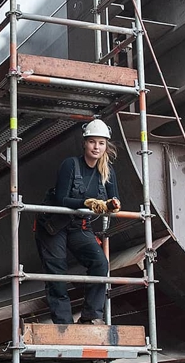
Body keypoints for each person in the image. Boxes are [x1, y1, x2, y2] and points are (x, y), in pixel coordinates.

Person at [35, 119, 121, 325]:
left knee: (100, 263)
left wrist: (112, 205)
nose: (96, 147)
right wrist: (88, 203)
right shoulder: (70, 165)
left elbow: (114, 199)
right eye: (92, 142)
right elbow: (61, 199)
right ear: (84, 143)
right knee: (57, 272)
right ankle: (64, 324)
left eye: (101, 143)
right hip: (53, 226)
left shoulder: (107, 172)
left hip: (79, 226)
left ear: (106, 146)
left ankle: (91, 316)